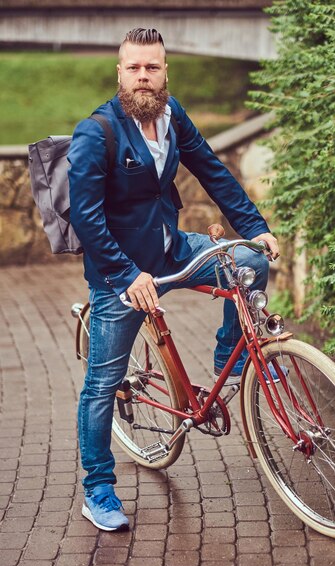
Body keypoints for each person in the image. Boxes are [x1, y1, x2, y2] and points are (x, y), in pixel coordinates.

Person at [68, 27, 279, 532]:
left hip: (171, 249)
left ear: (166, 71)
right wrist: (123, 275)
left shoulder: (171, 114)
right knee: (102, 383)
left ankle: (233, 353)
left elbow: (213, 171)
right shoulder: (96, 132)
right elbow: (85, 215)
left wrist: (254, 228)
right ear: (120, 72)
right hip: (121, 274)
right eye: (135, 68)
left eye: (153, 68)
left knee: (250, 264)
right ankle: (97, 489)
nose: (144, 77)